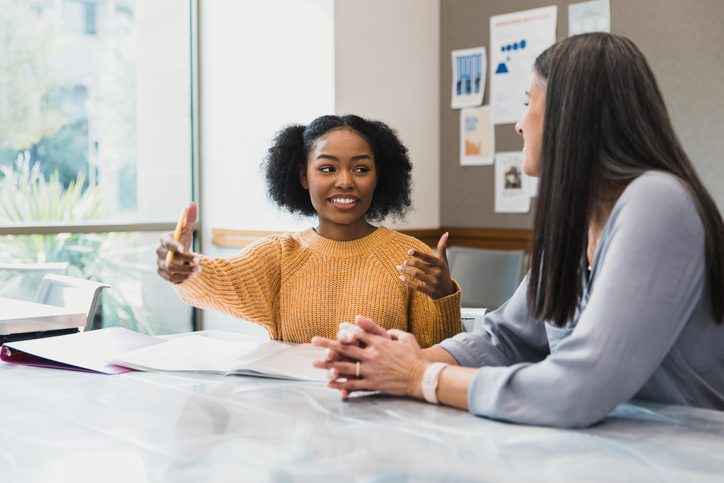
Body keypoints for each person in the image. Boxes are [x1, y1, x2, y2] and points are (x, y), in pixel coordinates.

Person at [312, 33, 724, 428]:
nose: (519, 125)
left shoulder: (658, 201)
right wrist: (396, 358)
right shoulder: (576, 223)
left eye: (528, 103)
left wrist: (419, 377)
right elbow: (505, 339)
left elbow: (578, 389)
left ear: (569, 115)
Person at [156, 114, 462, 346]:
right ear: (303, 177)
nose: (345, 181)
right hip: (293, 419)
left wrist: (444, 296)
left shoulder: (410, 257)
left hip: (382, 416)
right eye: (327, 168)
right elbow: (220, 279)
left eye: (361, 169)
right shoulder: (280, 255)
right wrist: (185, 268)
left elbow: (440, 357)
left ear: (379, 177)